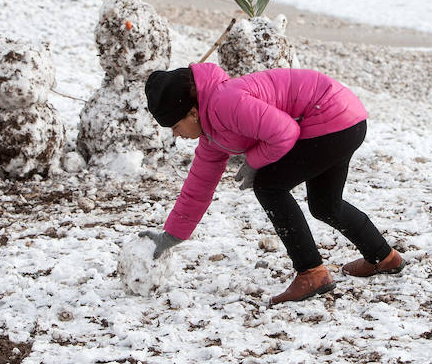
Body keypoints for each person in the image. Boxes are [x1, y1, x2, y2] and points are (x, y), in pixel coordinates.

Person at [140, 63, 405, 305]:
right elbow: (198, 186)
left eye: (175, 126)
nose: (176, 134)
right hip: (345, 119)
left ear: (193, 112)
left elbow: (284, 132)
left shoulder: (225, 103)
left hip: (330, 116)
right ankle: (384, 257)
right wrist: (171, 236)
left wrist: (254, 162)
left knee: (269, 185)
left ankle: (311, 272)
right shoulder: (211, 134)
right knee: (325, 204)